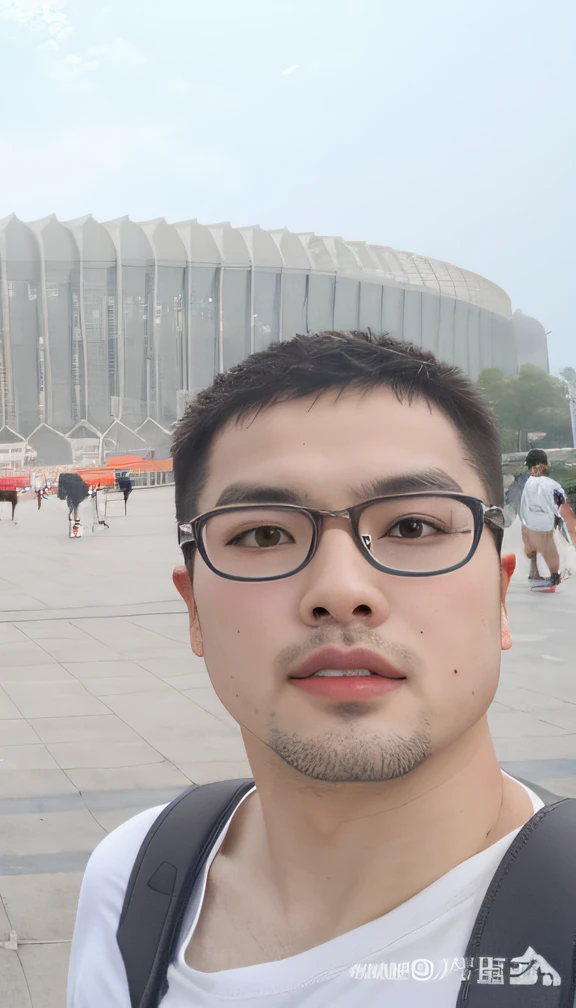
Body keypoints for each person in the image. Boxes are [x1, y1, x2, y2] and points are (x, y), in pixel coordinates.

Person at [68, 331, 567, 1006]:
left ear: (501, 596)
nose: (339, 589)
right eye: (264, 534)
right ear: (194, 612)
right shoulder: (134, 881)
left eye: (414, 526)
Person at [517, 448, 567, 589]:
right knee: (547, 544)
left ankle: (535, 571)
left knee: (534, 543)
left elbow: (523, 507)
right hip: (543, 521)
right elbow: (558, 504)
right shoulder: (550, 484)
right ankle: (553, 576)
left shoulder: (528, 483)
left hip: (531, 519)